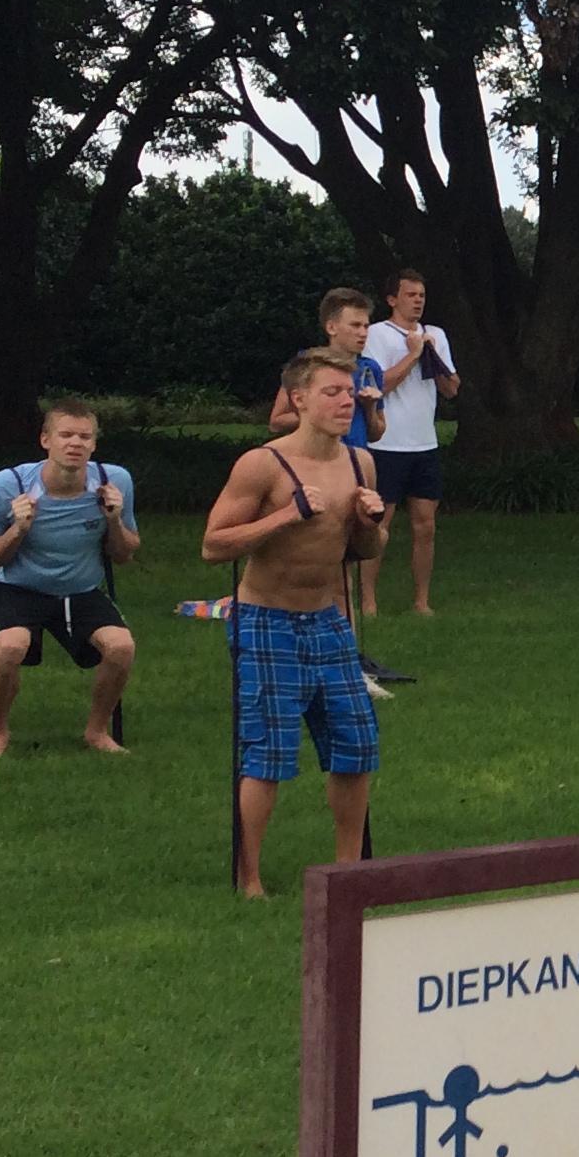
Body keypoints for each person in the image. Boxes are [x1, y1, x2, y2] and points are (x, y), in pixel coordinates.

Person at [206, 349, 388, 897]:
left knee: (356, 744)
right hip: (265, 620)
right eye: (333, 392)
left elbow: (365, 550)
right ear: (299, 399)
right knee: (269, 754)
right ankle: (249, 881)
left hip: (328, 620)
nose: (346, 401)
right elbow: (214, 545)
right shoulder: (262, 464)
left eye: (349, 391)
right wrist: (289, 514)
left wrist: (370, 524)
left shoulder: (360, 463)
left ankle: (349, 872)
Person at [0, 400, 140, 757]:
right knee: (11, 646)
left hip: (80, 589)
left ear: (94, 444)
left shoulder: (113, 481)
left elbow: (125, 554)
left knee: (122, 646)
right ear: (45, 440)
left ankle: (96, 731)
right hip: (17, 587)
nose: (75, 443)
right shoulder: (7, 485)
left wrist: (113, 520)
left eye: (85, 437)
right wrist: (18, 529)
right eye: (66, 435)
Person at [268, 287, 386, 616]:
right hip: (313, 467)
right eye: (355, 325)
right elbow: (277, 420)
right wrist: (321, 413)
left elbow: (378, 431)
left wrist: (369, 407)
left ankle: (345, 635)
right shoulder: (306, 365)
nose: (363, 333)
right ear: (331, 327)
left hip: (354, 468)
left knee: (348, 563)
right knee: (326, 567)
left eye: (366, 325)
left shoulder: (370, 370)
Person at [364, 270, 459, 616]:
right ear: (392, 299)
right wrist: (413, 355)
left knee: (426, 526)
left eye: (421, 295)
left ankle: (421, 602)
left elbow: (451, 389)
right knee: (379, 526)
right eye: (410, 294)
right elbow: (380, 384)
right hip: (386, 444)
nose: (418, 300)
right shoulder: (376, 335)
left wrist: (430, 354)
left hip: (424, 444)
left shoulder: (435, 335)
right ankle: (368, 602)